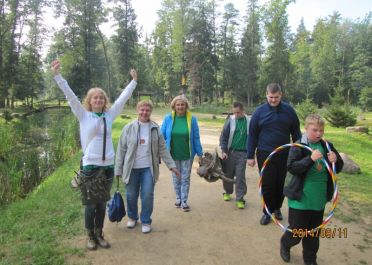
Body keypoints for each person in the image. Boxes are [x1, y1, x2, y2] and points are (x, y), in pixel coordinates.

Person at [51, 60, 137, 250]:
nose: (98, 100)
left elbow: (123, 98)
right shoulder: (83, 115)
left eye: (101, 98)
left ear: (105, 101)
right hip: (90, 166)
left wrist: (133, 82)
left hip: (107, 167)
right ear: (89, 101)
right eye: (95, 98)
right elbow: (70, 96)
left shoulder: (109, 115)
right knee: (90, 205)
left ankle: (99, 233)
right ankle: (90, 235)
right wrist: (58, 76)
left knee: (101, 204)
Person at [280, 114, 343, 265]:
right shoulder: (298, 145)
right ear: (306, 128)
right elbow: (292, 168)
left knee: (313, 234)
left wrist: (337, 160)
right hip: (300, 197)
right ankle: (285, 243)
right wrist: (310, 159)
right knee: (297, 232)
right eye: (315, 130)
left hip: (318, 198)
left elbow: (337, 168)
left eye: (321, 130)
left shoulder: (327, 145)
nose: (319, 133)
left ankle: (310, 260)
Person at [115, 101, 180, 233]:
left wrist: (172, 166)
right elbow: (121, 150)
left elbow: (162, 149)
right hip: (131, 168)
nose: (144, 112)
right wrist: (118, 169)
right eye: (142, 110)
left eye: (147, 110)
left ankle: (146, 220)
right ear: (137, 110)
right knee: (131, 195)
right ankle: (132, 217)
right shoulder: (128, 128)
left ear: (150, 112)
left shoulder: (155, 129)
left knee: (147, 195)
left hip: (148, 168)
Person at [247, 83, 301, 225]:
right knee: (268, 184)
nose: (273, 100)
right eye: (271, 97)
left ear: (281, 95)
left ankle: (277, 207)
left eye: (276, 97)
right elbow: (252, 135)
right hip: (265, 154)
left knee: (280, 183)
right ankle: (267, 212)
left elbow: (296, 132)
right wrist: (250, 156)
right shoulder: (259, 112)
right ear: (266, 95)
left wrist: (299, 150)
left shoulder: (289, 111)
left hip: (284, 153)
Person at [161, 95, 203, 212]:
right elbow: (161, 135)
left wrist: (200, 153)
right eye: (178, 104)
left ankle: (184, 200)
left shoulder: (192, 119)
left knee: (185, 178)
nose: (180, 107)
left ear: (186, 106)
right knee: (176, 177)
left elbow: (196, 137)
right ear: (174, 106)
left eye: (182, 104)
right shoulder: (168, 118)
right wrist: (158, 150)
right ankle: (178, 198)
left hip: (187, 154)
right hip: (173, 154)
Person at [219, 102, 250, 209]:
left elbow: (254, 137)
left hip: (244, 153)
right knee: (228, 174)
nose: (236, 115)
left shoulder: (249, 121)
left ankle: (240, 198)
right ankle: (227, 192)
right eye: (234, 112)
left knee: (240, 176)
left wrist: (251, 154)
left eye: (238, 112)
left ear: (243, 111)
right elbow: (223, 137)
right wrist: (224, 151)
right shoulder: (230, 121)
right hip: (230, 152)